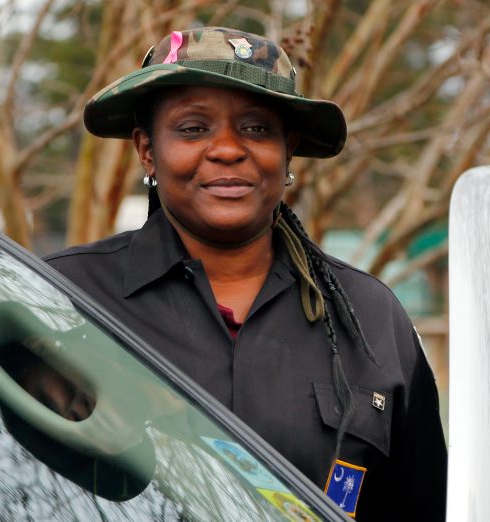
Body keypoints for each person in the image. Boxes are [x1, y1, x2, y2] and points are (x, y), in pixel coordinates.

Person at [44, 26, 446, 520]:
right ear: (147, 149)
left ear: (288, 150)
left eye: (257, 129)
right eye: (193, 128)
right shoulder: (62, 298)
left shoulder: (370, 319)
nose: (229, 149)